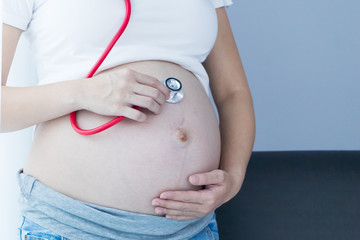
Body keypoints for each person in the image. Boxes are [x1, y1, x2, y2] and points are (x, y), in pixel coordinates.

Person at [1, 0, 255, 239]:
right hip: (75, 224)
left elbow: (233, 92)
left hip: (189, 228)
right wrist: (84, 93)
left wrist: (233, 177)